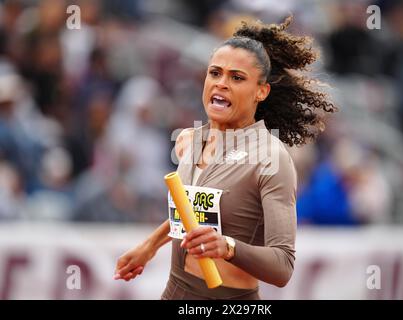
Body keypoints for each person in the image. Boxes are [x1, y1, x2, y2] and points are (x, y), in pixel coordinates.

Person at [113, 16, 336, 300]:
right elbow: (193, 212)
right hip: (174, 293)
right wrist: (149, 246)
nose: (221, 83)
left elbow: (282, 267)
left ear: (261, 91)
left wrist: (228, 247)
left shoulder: (270, 158)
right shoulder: (189, 141)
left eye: (237, 77)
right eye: (215, 73)